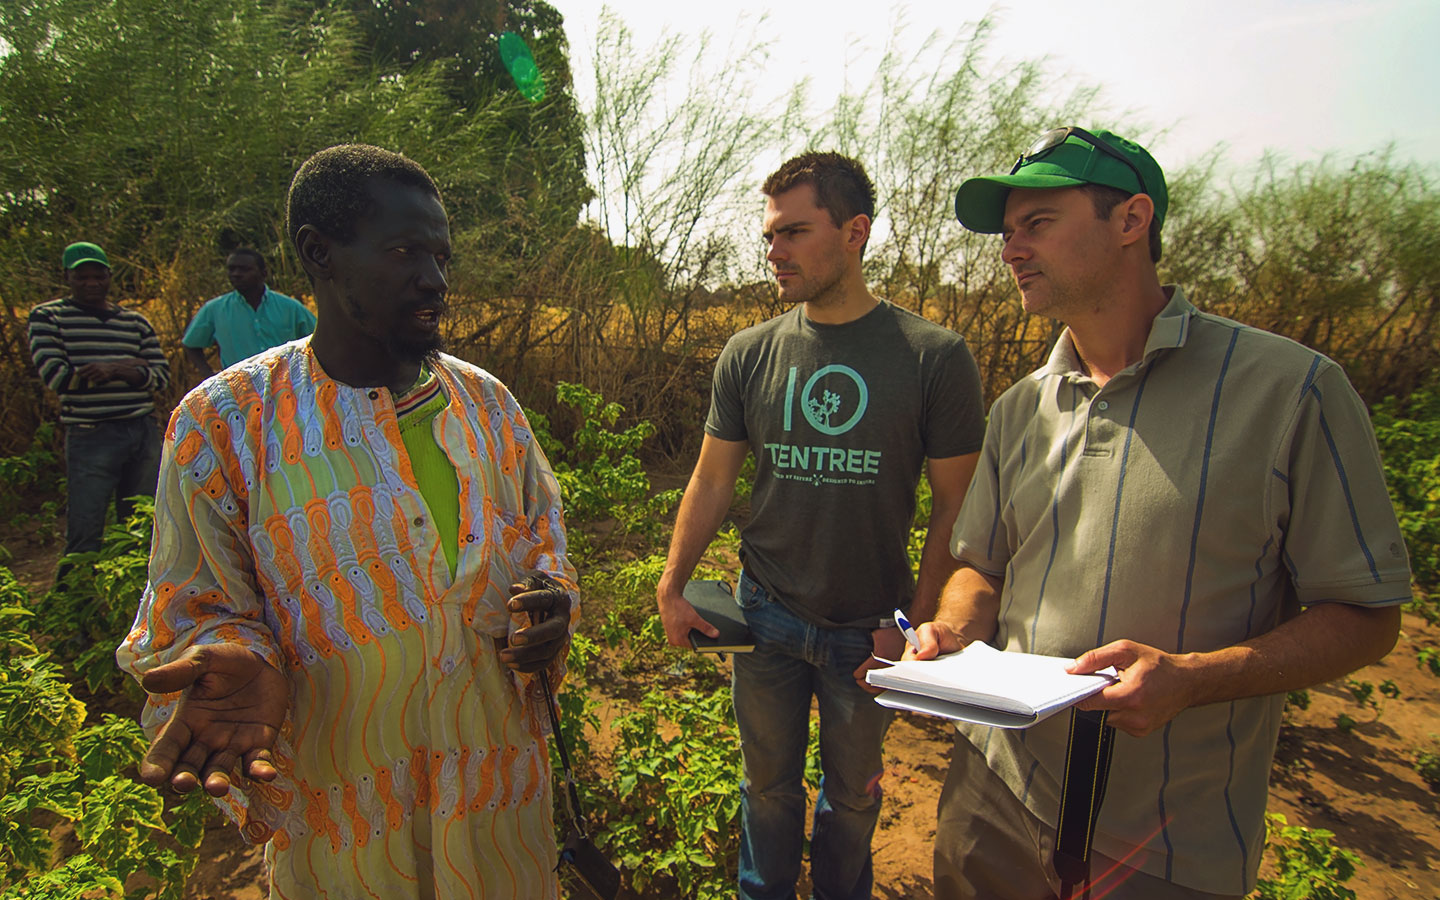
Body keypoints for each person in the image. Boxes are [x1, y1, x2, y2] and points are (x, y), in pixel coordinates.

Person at [916, 127, 1410, 899]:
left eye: (1037, 223)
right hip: (992, 794)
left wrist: (1193, 678)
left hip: (1166, 846)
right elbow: (982, 566)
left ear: (1131, 219)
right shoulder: (1019, 407)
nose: (1011, 249)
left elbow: (1367, 614)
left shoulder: (1291, 392)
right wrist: (953, 626)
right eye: (1007, 232)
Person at [117, 144, 578, 898]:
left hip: (499, 797)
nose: (434, 280)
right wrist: (238, 655)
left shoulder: (490, 406)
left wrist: (552, 607)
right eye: (403, 252)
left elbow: (546, 548)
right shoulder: (225, 425)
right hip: (345, 817)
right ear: (318, 253)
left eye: (440, 256)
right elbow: (193, 602)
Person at [655, 151, 986, 899]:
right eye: (770, 235)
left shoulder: (934, 358)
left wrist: (909, 626)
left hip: (868, 632)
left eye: (795, 232)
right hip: (766, 615)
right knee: (766, 789)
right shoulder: (750, 353)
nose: (775, 251)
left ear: (854, 232)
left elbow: (956, 510)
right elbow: (711, 479)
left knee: (854, 798)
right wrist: (673, 584)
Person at [28, 241, 171, 559]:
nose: (91, 283)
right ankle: (75, 588)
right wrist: (131, 367)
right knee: (85, 529)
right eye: (82, 277)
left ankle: (134, 587)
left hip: (141, 430)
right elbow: (58, 378)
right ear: (67, 277)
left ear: (109, 276)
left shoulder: (134, 322)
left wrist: (111, 369)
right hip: (90, 432)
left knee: (141, 526)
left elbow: (161, 377)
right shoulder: (49, 317)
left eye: (98, 276)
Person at [182, 248, 316, 380]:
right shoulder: (214, 309)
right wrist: (209, 376)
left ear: (264, 273)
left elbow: (319, 339)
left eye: (244, 269)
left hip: (286, 385)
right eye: (231, 269)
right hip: (239, 387)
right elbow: (191, 344)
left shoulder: (290, 307)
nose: (236, 274)